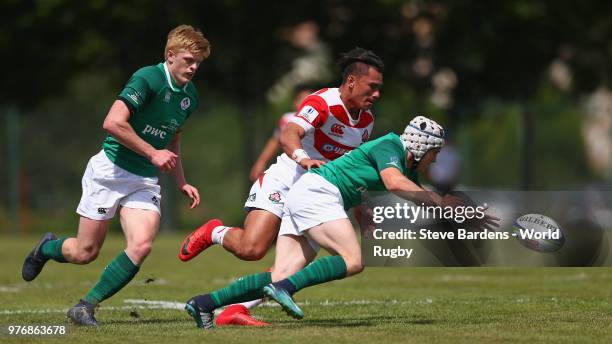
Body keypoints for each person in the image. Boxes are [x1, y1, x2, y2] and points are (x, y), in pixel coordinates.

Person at [183, 116, 500, 329]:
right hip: (317, 192)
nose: (435, 159)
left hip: (309, 194)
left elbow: (383, 194)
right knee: (354, 260)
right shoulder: (392, 145)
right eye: (434, 152)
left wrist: (463, 214)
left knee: (280, 272)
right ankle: (285, 289)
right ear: (421, 145)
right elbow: (392, 184)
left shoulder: (409, 172)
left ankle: (204, 304)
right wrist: (441, 201)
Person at [178, 47, 384, 326]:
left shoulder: (366, 123)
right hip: (286, 181)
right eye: (372, 87)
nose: (376, 94)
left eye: (379, 89)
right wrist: (303, 158)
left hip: (314, 197)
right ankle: (215, 231)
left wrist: (363, 214)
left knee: (285, 274)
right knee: (252, 249)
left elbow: (351, 173)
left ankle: (226, 308)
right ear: (351, 81)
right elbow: (290, 133)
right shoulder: (323, 102)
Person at [20, 25, 210, 326]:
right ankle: (46, 248)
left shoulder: (191, 97)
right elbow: (112, 123)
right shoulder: (148, 78)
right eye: (188, 59)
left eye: (198, 62)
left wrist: (181, 181)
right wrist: (152, 152)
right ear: (170, 55)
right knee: (85, 252)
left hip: (144, 180)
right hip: (110, 172)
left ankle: (85, 306)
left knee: (142, 244)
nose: (194, 66)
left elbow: (173, 139)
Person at [248, 85, 315, 182]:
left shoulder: (321, 121)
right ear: (294, 103)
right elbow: (275, 141)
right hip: (291, 169)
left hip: (313, 167)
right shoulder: (288, 118)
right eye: (302, 99)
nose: (305, 103)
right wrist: (261, 162)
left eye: (309, 99)